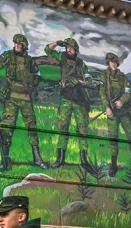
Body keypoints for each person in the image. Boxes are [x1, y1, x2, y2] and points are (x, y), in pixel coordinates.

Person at [0, 34, 46, 170]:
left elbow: (37, 75)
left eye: (20, 44)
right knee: (7, 128)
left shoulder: (29, 61)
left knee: (32, 128)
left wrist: (32, 83)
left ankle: (37, 159)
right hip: (11, 98)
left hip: (26, 98)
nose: (17, 45)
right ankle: (5, 160)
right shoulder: (9, 56)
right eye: (16, 43)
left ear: (24, 46)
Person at [45, 38, 92, 169]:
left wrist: (81, 82)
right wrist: (57, 43)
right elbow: (48, 49)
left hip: (79, 100)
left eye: (70, 48)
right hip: (66, 98)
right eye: (67, 48)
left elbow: (88, 78)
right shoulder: (62, 58)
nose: (68, 50)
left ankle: (84, 161)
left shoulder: (81, 63)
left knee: (82, 130)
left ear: (76, 49)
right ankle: (60, 160)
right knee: (63, 128)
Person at [99, 52, 131, 177]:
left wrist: (121, 101)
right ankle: (113, 166)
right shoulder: (103, 76)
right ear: (108, 63)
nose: (114, 64)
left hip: (124, 111)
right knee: (113, 138)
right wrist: (107, 107)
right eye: (111, 62)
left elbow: (128, 92)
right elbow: (102, 92)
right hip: (112, 112)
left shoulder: (123, 77)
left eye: (115, 62)